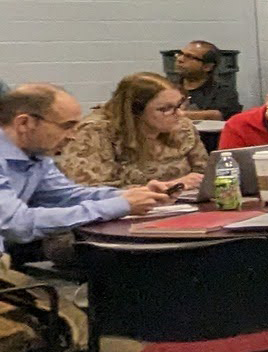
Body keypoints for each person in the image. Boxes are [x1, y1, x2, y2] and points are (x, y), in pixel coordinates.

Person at [1, 84, 169, 245]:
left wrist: (132, 195)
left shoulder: (36, 155)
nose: (73, 136)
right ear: (24, 123)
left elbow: (66, 196)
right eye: (67, 126)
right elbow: (17, 224)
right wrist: (119, 205)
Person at [58, 73, 207, 190]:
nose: (179, 114)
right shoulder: (96, 132)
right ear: (135, 112)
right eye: (165, 109)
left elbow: (206, 172)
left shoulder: (182, 128)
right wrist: (171, 186)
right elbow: (89, 189)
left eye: (179, 105)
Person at [170, 40, 242, 121]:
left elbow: (220, 115)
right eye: (180, 54)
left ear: (207, 67)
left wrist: (182, 114)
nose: (180, 59)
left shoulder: (223, 92)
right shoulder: (166, 87)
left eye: (189, 57)